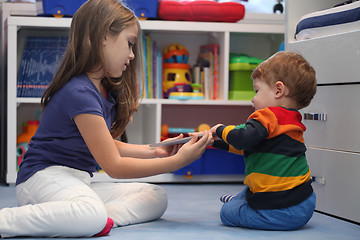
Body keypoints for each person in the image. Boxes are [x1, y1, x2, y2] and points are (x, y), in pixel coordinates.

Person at [0, 0, 213, 238]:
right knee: (90, 213)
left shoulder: (101, 88)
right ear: (103, 36)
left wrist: (154, 152)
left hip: (79, 180)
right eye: (130, 44)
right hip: (44, 177)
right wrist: (176, 163)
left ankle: (94, 219)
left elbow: (105, 145)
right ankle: (8, 221)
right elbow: (113, 166)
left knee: (155, 197)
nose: (132, 55)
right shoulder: (79, 92)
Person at [210, 51, 317, 230]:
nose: (253, 99)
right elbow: (251, 146)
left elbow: (243, 138)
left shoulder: (268, 115)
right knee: (250, 190)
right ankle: (242, 201)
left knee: (227, 212)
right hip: (305, 201)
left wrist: (220, 129)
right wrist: (215, 142)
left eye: (257, 90)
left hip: (281, 209)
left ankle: (239, 204)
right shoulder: (291, 119)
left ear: (278, 90)